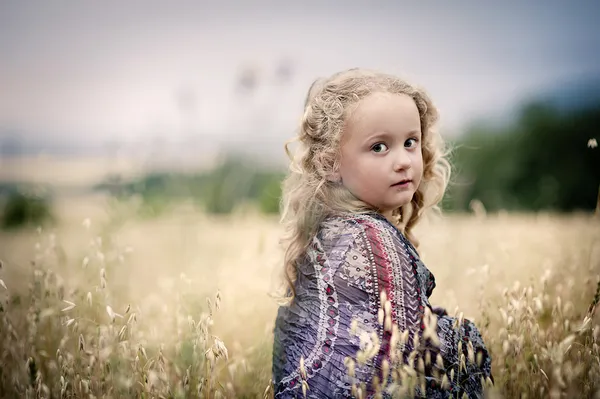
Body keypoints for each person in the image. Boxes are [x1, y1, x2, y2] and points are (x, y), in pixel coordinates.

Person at [271, 68, 492, 398]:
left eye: (410, 142)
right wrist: (464, 339)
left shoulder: (332, 228)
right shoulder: (372, 239)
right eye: (379, 147)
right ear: (331, 162)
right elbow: (406, 355)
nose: (403, 161)